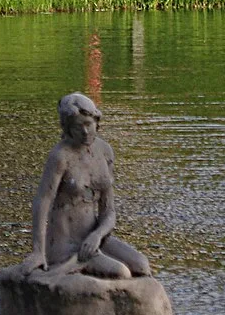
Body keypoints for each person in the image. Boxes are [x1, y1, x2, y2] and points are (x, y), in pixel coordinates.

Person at [14, 92, 152, 281]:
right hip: (66, 244)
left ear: (96, 121)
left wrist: (97, 235)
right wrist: (38, 251)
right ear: (68, 128)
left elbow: (109, 211)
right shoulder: (60, 156)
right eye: (78, 127)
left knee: (142, 266)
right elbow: (42, 201)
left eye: (88, 125)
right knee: (121, 273)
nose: (85, 132)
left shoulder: (104, 151)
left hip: (94, 237)